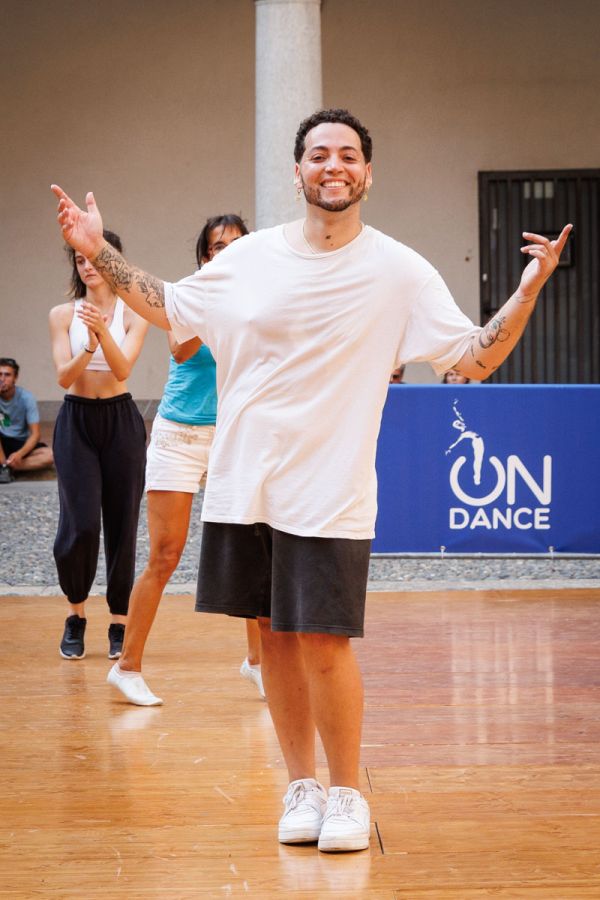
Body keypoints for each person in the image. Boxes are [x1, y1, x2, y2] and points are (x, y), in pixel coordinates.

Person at [51, 107, 571, 853]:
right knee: (274, 639)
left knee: (325, 641)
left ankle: (348, 791)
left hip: (332, 492)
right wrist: (97, 250)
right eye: (320, 154)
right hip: (245, 484)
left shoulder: (400, 271)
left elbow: (474, 358)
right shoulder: (248, 258)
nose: (334, 165)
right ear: (297, 172)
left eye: (348, 155)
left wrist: (527, 291)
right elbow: (167, 304)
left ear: (368, 173)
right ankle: (302, 785)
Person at [107, 214, 266, 706]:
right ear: (204, 256)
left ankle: (258, 663)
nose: (228, 251)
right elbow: (180, 348)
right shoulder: (189, 294)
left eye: (237, 244)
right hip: (180, 433)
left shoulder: (260, 297)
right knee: (165, 554)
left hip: (233, 435)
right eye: (218, 246)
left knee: (252, 550)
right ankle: (126, 667)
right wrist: (218, 305)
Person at [49, 229, 148, 661]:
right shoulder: (61, 315)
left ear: (112, 260)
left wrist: (103, 333)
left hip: (120, 420)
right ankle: (76, 614)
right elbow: (63, 377)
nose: (87, 266)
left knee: (123, 522)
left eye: (93, 257)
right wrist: (88, 344)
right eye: (79, 259)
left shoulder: (135, 312)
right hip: (76, 421)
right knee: (82, 524)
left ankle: (119, 621)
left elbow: (123, 368)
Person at [0, 358, 54, 483]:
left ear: (15, 378)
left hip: (19, 442)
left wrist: (19, 454)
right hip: (1, 442)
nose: (2, 379)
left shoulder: (26, 398)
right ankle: (4, 466)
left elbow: (35, 434)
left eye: (7, 375)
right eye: (0, 374)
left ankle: (7, 468)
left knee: (51, 455)